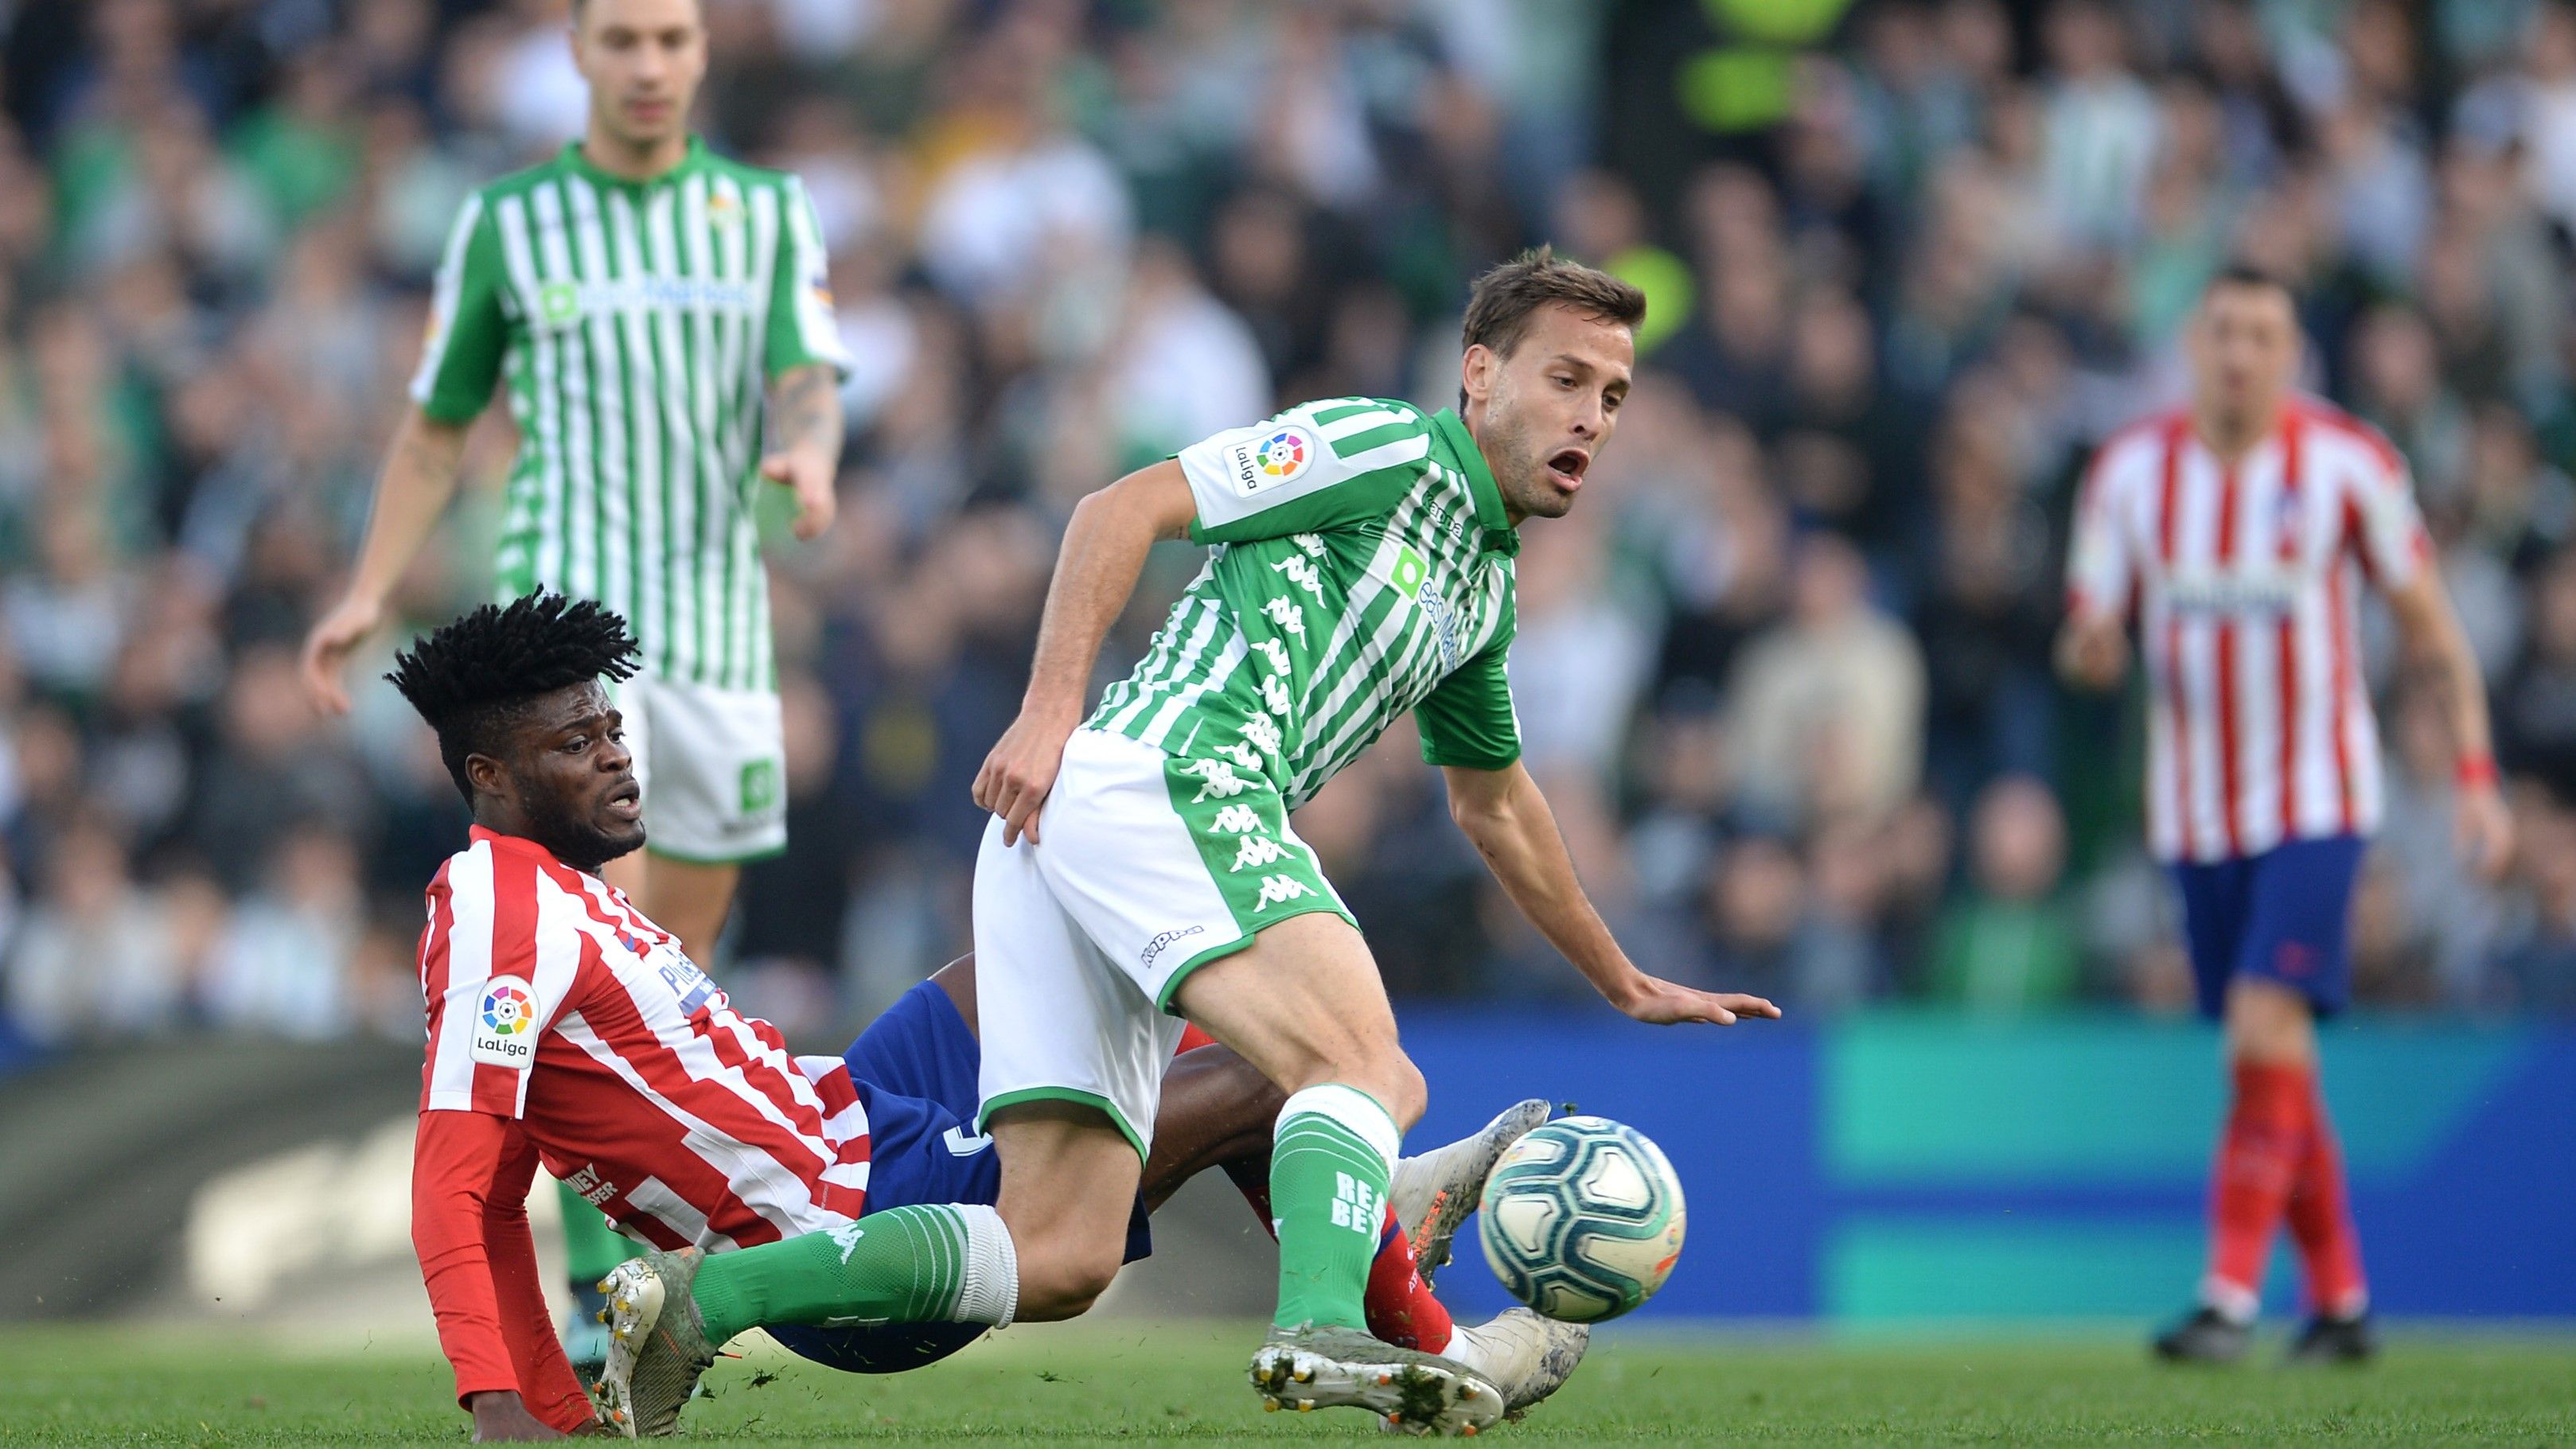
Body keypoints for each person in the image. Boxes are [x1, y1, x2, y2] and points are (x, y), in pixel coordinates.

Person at [387, 594, 1577, 1442]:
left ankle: (1384, 1215)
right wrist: (512, 1408)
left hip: (849, 1103)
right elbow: (464, 1183)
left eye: (609, 728)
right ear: (490, 775)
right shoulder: (497, 903)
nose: (615, 758)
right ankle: (1433, 1335)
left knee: (1105, 948)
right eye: (574, 744)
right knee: (1290, 1076)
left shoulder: (557, 897)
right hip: (848, 1221)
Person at [942, 247, 1779, 1433]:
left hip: (1123, 814)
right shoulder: (1379, 448)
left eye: (1611, 396)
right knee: (1364, 1068)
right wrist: (1047, 706)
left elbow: (1493, 801)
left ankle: (714, 1300)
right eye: (1566, 379)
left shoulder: (1481, 589)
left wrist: (1619, 973)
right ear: (1479, 375)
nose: (1590, 416)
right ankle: (1334, 1316)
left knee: (1065, 1246)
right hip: (1176, 782)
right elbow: (1121, 505)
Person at [298, 0, 848, 1364]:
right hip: (569, 630)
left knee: (678, 971)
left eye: (671, 38)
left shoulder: (769, 211)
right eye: (623, 40)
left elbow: (805, 380)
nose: (649, 64)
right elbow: (438, 426)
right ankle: (611, 1284)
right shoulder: (508, 222)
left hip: (719, 628)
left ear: (703, 51)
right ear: (581, 54)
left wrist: (814, 457)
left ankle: (650, 1261)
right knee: (586, 941)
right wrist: (370, 586)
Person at [2058, 265, 2515, 1364]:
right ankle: (2344, 1300)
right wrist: (2089, 646)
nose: (2239, 354)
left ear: (2290, 351)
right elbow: (2085, 628)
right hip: (2192, 814)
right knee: (2277, 1057)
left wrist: (2474, 776)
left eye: (2262, 334)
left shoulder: (2347, 464)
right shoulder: (2128, 474)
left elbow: (2431, 629)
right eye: (2221, 331)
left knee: (2263, 1027)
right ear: (2192, 345)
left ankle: (2225, 1296)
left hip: (2317, 798)